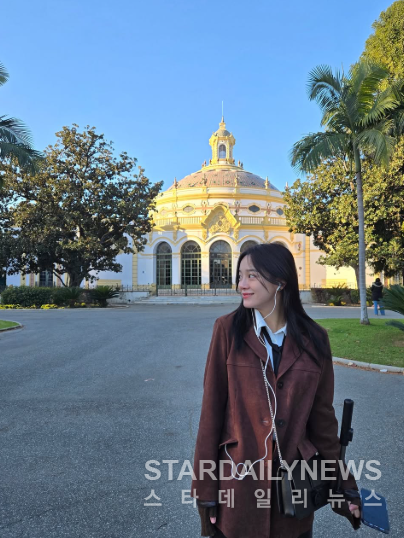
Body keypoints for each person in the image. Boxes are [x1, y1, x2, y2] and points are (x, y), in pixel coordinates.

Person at [191, 243, 361, 538]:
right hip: (238, 487)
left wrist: (344, 485)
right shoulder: (227, 330)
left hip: (293, 495)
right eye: (240, 276)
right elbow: (211, 414)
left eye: (252, 276)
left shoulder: (315, 339)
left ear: (281, 282)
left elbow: (322, 420)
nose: (241, 284)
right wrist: (206, 492)